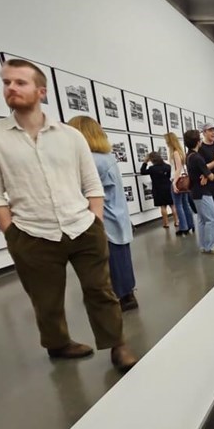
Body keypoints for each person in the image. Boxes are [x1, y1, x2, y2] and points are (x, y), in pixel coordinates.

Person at [0, 58, 137, 372]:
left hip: (82, 226)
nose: (11, 88)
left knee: (101, 290)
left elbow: (92, 184)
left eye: (20, 82)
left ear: (41, 91)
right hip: (32, 232)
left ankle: (118, 345)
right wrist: (12, 233)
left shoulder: (70, 137)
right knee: (45, 299)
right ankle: (58, 343)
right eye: (6, 82)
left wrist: (96, 222)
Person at [68, 116, 139, 312]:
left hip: (104, 219)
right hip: (117, 216)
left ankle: (119, 298)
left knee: (109, 263)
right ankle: (127, 295)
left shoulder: (91, 160)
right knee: (122, 259)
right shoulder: (107, 157)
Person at [184, 129, 214, 254]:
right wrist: (208, 174)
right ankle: (210, 246)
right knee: (212, 219)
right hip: (203, 192)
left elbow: (203, 171)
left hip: (195, 192)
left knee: (202, 219)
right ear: (198, 142)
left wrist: (204, 174)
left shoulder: (188, 156)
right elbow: (211, 176)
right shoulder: (198, 158)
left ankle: (204, 245)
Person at [165, 132, 194, 237]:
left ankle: (183, 227)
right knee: (185, 204)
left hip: (177, 180)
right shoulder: (181, 152)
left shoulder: (175, 152)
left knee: (179, 205)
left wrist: (174, 183)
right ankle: (190, 224)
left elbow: (178, 169)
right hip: (182, 180)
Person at [140, 152, 177, 229]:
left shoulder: (152, 169)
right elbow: (169, 176)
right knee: (172, 205)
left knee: (163, 206)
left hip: (158, 189)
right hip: (168, 187)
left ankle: (166, 223)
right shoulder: (168, 167)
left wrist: (145, 162)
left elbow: (142, 171)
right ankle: (176, 221)